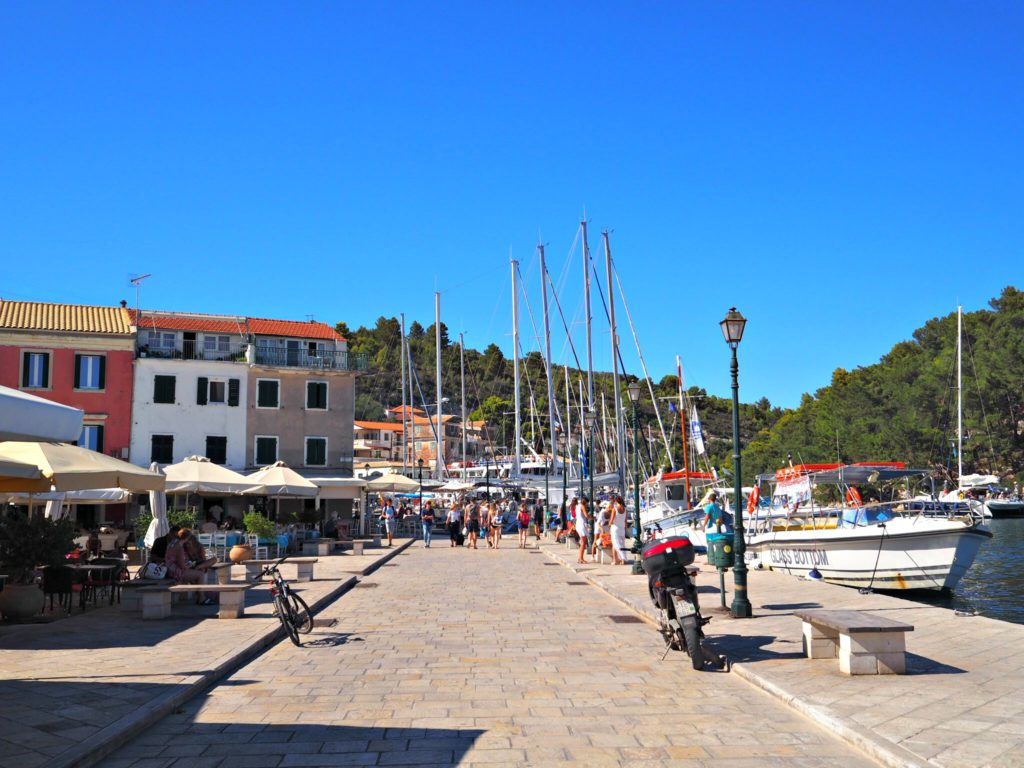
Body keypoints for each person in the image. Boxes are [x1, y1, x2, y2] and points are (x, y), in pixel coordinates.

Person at [607, 495, 627, 565]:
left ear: (616, 501)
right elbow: (625, 522)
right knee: (622, 544)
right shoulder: (625, 509)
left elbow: (611, 521)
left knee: (615, 545)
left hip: (615, 529)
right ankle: (622, 560)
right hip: (622, 529)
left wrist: (609, 525)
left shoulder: (614, 509)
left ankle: (615, 560)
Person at [575, 497, 591, 564]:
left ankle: (579, 558)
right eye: (587, 503)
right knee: (583, 543)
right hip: (581, 526)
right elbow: (586, 516)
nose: (587, 504)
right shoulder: (583, 506)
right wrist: (593, 517)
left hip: (578, 524)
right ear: (586, 502)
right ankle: (581, 559)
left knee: (582, 542)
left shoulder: (578, 506)